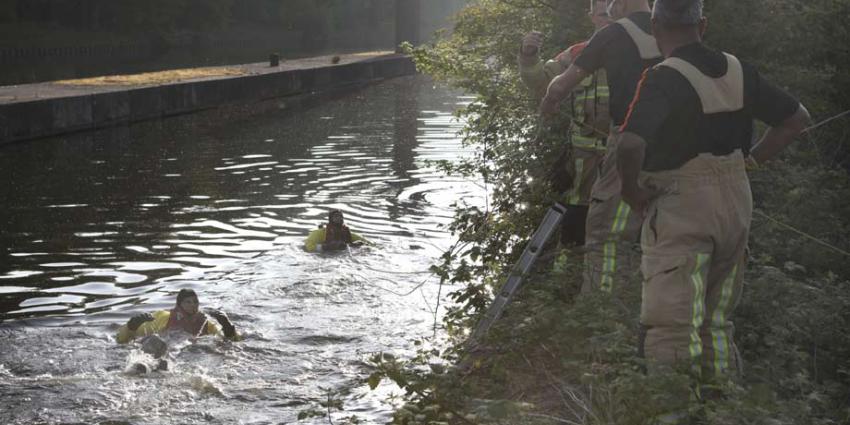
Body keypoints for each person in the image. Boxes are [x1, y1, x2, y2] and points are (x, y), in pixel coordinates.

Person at [616, 0, 809, 381]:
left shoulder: (662, 76)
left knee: (671, 322)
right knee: (716, 320)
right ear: (702, 25)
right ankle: (721, 402)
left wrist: (631, 192)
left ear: (655, 27)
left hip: (682, 203)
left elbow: (629, 145)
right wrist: (748, 163)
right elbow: (796, 120)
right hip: (736, 201)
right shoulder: (738, 69)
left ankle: (674, 408)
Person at [541, 0, 662, 293]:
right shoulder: (672, 30)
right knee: (660, 227)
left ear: (620, 3)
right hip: (677, 141)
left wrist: (549, 101)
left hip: (628, 140)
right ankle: (646, 296)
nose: (608, 9)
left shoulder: (611, 34)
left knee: (605, 230)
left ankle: (600, 310)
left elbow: (559, 86)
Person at [518, 0, 612, 249]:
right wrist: (529, 55)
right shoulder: (576, 54)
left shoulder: (638, 51)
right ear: (591, 16)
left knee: (621, 222)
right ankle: (567, 276)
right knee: (576, 225)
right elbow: (540, 83)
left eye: (613, 12)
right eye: (603, 14)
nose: (609, 19)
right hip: (583, 161)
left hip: (622, 156)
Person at [116, 289, 240, 344]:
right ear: (179, 305)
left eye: (195, 302)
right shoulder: (163, 317)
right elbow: (123, 339)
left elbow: (229, 340)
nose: (193, 306)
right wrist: (131, 326)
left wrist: (228, 326)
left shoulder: (204, 323)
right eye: (188, 302)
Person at [304, 209, 368, 252]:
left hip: (344, 252)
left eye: (340, 216)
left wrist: (356, 244)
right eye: (336, 217)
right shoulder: (322, 232)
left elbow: (350, 244)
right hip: (327, 253)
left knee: (360, 243)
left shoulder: (346, 230)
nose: (339, 218)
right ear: (330, 220)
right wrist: (325, 247)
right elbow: (309, 246)